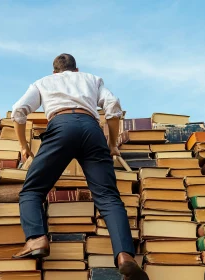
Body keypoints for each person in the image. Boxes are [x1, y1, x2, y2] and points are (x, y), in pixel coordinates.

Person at [10, 54, 148, 280]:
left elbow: (18, 111)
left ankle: (36, 239)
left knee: (32, 190)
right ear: (76, 70)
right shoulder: (92, 79)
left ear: (55, 72)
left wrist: (24, 146)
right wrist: (112, 144)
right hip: (91, 130)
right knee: (108, 197)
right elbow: (112, 107)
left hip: (61, 127)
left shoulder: (43, 82)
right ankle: (125, 256)